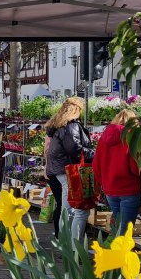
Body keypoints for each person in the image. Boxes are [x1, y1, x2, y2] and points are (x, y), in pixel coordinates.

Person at [45, 96, 95, 243]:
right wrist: (95, 153)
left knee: (67, 210)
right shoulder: (71, 126)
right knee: (78, 210)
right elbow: (75, 150)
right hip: (70, 170)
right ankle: (74, 248)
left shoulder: (59, 126)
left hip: (60, 170)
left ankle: (64, 243)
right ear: (76, 110)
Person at [93, 109, 141, 236]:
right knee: (125, 230)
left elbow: (96, 164)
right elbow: (135, 167)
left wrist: (103, 182)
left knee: (117, 224)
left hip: (110, 190)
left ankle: (112, 251)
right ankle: (119, 254)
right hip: (129, 188)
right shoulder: (131, 138)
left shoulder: (104, 138)